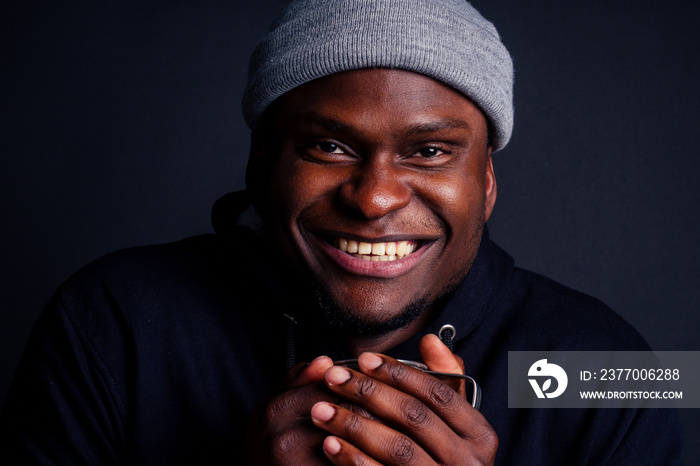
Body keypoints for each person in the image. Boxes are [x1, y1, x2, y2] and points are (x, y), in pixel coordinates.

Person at [0, 0, 684, 464]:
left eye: (430, 151)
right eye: (329, 146)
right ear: (262, 165)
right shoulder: (111, 323)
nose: (375, 197)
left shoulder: (615, 366)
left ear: (488, 183)